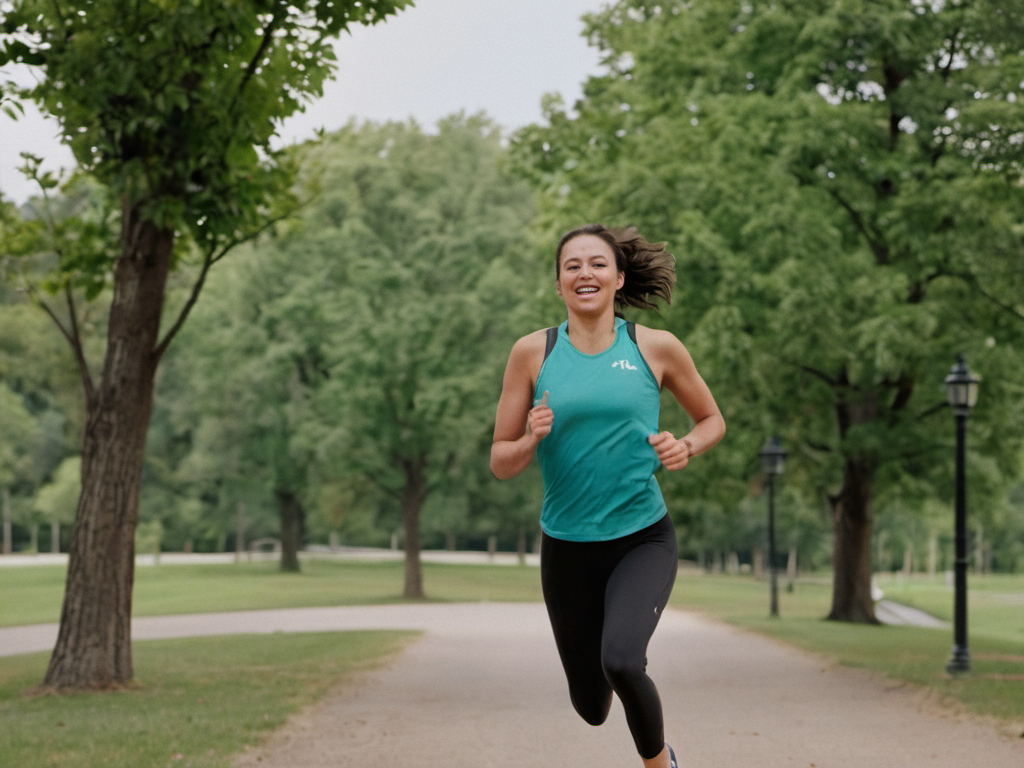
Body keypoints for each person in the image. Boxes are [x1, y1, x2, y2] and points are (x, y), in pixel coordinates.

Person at [490, 223, 725, 768]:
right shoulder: (532, 352)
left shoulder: (655, 348)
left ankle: (660, 763)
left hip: (641, 537)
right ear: (558, 285)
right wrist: (530, 437)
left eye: (597, 264)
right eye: (572, 266)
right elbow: (501, 461)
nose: (584, 274)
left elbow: (711, 419)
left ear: (619, 278)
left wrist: (686, 446)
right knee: (591, 706)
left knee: (622, 660)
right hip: (567, 546)